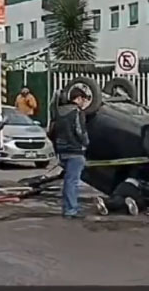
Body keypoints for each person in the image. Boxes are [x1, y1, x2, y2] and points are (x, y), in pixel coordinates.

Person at [50, 87, 90, 219]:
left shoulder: (58, 112)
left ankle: (68, 207)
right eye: (83, 99)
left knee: (68, 181)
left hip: (62, 151)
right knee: (72, 182)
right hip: (75, 151)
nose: (84, 103)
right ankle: (71, 210)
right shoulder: (77, 113)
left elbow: (51, 132)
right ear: (78, 99)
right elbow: (80, 131)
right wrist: (85, 143)